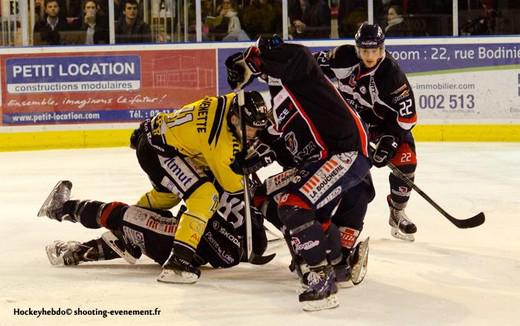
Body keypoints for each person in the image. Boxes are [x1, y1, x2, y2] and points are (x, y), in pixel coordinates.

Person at [225, 36, 371, 311]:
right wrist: (251, 158)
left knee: (296, 204)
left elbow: (299, 56)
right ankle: (328, 259)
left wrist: (253, 57)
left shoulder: (304, 76)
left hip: (346, 153)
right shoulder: (281, 96)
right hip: (323, 160)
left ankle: (322, 277)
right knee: (267, 196)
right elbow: (274, 135)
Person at [130, 91, 269, 284]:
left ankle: (128, 222)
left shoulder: (234, 103)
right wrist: (251, 179)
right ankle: (178, 262)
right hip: (158, 152)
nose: (253, 134)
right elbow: (231, 185)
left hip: (161, 139)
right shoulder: (218, 143)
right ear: (235, 119)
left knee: (169, 197)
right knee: (205, 196)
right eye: (250, 129)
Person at [314, 23, 418, 241]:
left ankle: (397, 212)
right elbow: (308, 64)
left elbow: (408, 118)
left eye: (375, 50)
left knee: (406, 161)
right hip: (350, 124)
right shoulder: (342, 57)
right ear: (357, 49)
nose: (370, 56)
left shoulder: (391, 74)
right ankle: (325, 211)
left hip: (384, 127)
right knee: (343, 168)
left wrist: (390, 140)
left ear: (382, 49)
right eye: (365, 51)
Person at [37, 180, 271, 269]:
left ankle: (61, 210)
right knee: (130, 226)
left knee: (122, 214)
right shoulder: (244, 198)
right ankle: (76, 253)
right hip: (183, 237)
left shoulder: (226, 180)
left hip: (178, 238)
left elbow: (233, 253)